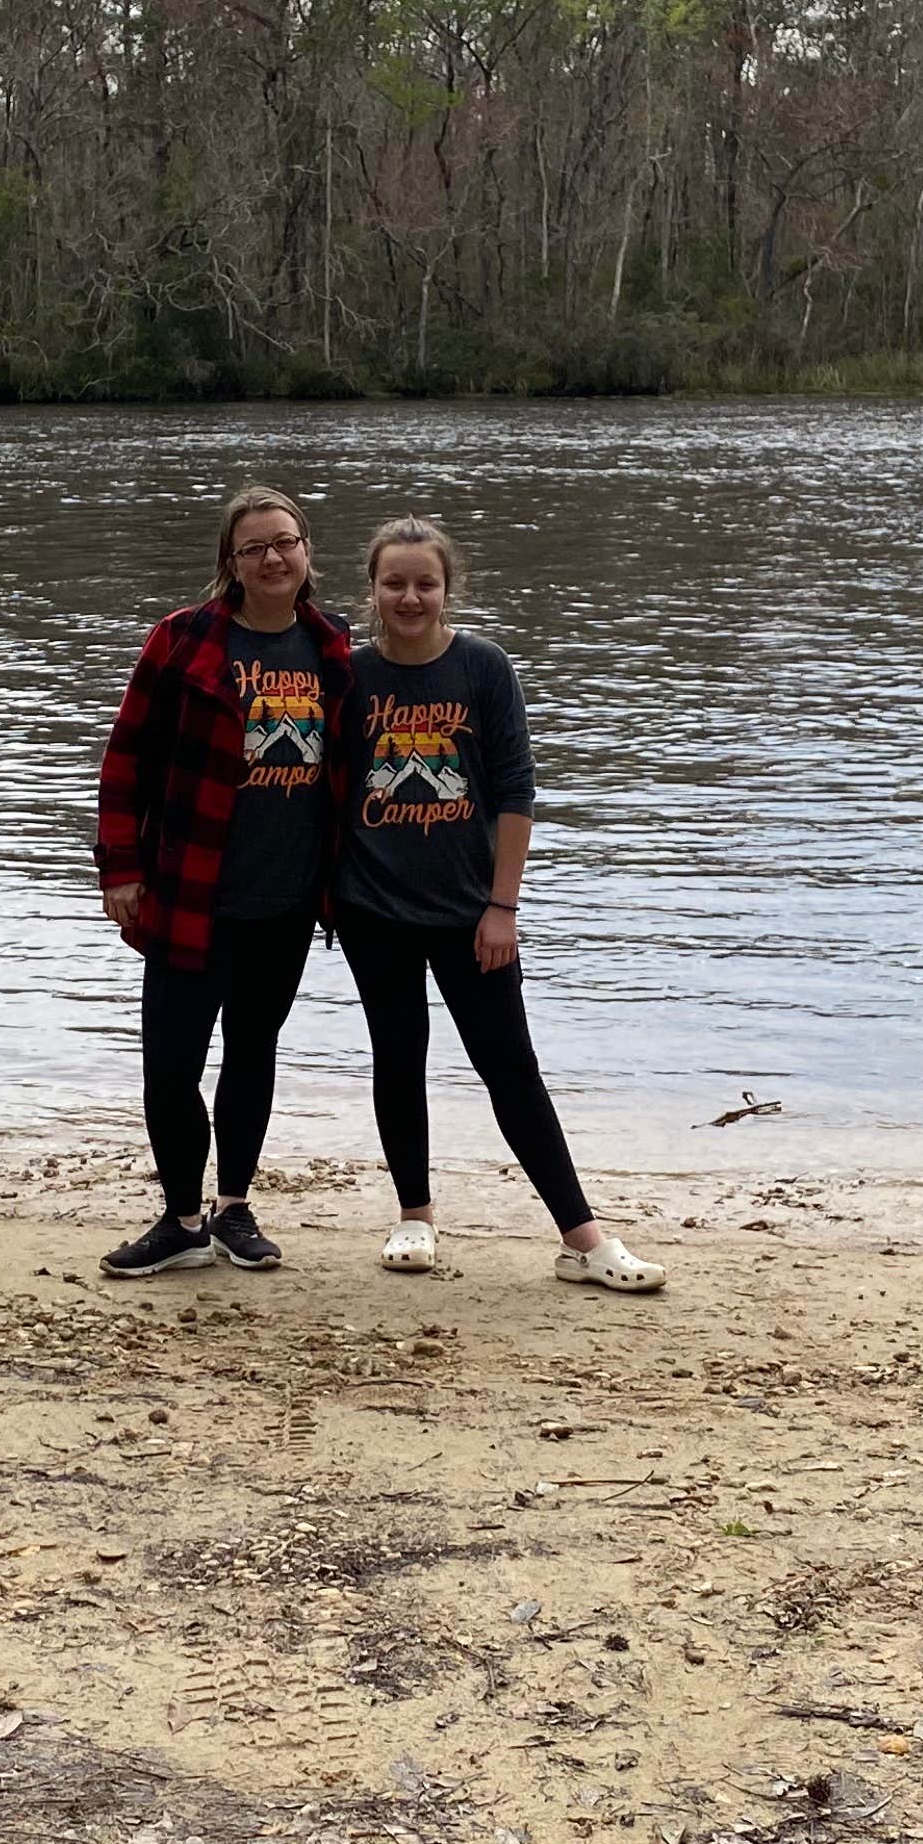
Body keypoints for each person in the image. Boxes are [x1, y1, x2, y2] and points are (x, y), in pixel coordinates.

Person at [337, 518, 663, 1292]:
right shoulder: (347, 677)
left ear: (449, 587)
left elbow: (516, 792)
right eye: (395, 583)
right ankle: (414, 1217)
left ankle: (582, 1239)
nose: (410, 597)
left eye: (425, 582)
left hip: (470, 913)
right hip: (372, 907)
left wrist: (502, 907)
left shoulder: (483, 668)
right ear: (374, 589)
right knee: (398, 1057)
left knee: (511, 1069)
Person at [93, 487, 355, 1278]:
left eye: (286, 542)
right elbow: (124, 760)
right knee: (170, 1064)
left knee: (253, 1053)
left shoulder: (334, 646)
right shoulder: (183, 641)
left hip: (285, 899)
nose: (273, 558)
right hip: (188, 891)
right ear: (230, 563)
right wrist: (121, 869)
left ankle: (234, 1208)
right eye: (254, 548)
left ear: (307, 550)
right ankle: (180, 1219)